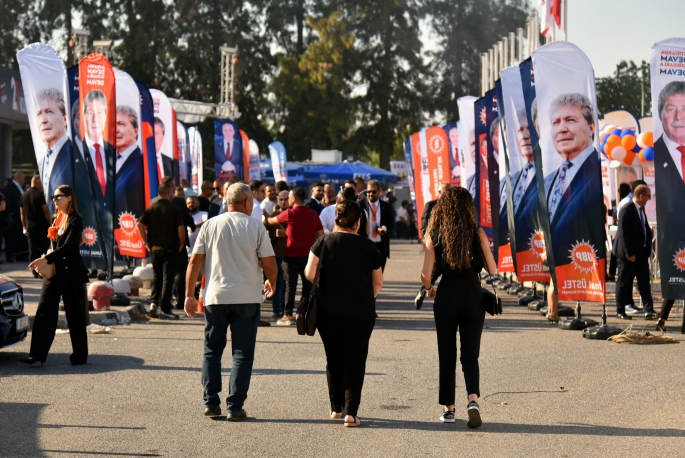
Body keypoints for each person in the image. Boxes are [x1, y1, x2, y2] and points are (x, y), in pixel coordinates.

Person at [184, 183, 277, 421]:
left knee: (212, 351)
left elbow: (194, 262)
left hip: (215, 297)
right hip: (246, 298)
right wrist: (271, 282)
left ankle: (211, 402)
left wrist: (189, 295)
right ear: (246, 203)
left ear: (227, 201)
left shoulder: (210, 225)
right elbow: (269, 263)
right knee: (242, 353)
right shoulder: (256, 226)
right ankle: (235, 407)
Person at [420, 186, 496, 428]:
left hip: (446, 296)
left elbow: (425, 275)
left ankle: (449, 409)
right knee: (470, 355)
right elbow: (493, 269)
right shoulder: (477, 233)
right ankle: (473, 400)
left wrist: (430, 286)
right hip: (473, 295)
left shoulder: (435, 235)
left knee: (447, 354)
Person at [305, 199, 383, 427]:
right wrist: (367, 297)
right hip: (361, 313)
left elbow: (310, 274)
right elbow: (378, 282)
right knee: (355, 362)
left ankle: (336, 408)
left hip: (328, 310)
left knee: (333, 359)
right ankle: (351, 412)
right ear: (358, 222)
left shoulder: (323, 242)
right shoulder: (369, 247)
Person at [23, 185, 89, 366]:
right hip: (54, 273)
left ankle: (79, 356)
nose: (55, 199)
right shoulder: (55, 218)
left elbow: (67, 247)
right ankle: (36, 355)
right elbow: (54, 245)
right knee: (44, 312)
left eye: (59, 196)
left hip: (71, 273)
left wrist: (45, 260)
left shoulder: (76, 219)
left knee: (75, 317)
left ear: (69, 198)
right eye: (53, 197)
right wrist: (45, 259)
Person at [542, 93, 605, 277]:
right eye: (556, 122)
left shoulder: (598, 173)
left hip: (584, 272)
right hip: (555, 265)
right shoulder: (548, 181)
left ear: (591, 127)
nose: (562, 129)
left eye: (570, 120)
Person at [265, 187, 323, 325]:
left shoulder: (289, 213)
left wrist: (262, 217)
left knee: (290, 286)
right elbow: (320, 235)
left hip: (290, 256)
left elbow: (271, 221)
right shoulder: (314, 214)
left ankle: (288, 315)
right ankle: (306, 313)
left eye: (289, 197)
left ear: (294, 199)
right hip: (308, 256)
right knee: (308, 286)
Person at [137, 185, 186, 320]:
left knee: (157, 277)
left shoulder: (152, 208)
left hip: (155, 249)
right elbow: (181, 229)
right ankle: (165, 309)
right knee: (168, 280)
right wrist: (181, 243)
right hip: (171, 249)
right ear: (170, 194)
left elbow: (139, 224)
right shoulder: (174, 209)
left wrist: (145, 242)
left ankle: (154, 303)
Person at [614, 185, 657, 320]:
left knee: (644, 282)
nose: (649, 199)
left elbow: (642, 229)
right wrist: (629, 253)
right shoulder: (627, 209)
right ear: (641, 196)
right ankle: (620, 310)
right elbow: (623, 233)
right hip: (628, 255)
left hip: (640, 254)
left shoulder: (640, 210)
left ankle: (649, 310)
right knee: (623, 282)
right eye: (648, 196)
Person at [35, 89, 74, 212]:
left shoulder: (76, 155)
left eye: (49, 112)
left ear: (65, 119)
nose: (43, 120)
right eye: (39, 114)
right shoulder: (42, 162)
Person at [415, 183, 450, 309]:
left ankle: (424, 291)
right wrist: (430, 239)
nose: (443, 195)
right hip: (434, 243)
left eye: (447, 192)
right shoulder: (431, 205)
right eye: (441, 192)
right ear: (438, 192)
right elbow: (424, 225)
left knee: (438, 270)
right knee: (432, 271)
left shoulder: (454, 207)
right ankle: (425, 290)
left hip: (451, 246)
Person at [114, 105, 145, 225]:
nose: (115, 130)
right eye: (113, 124)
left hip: (131, 236)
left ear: (136, 130)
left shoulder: (142, 164)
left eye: (121, 124)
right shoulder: (104, 160)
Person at [264, 191, 289, 320]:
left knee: (287, 285)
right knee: (278, 284)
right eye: (281, 199)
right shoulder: (275, 215)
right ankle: (276, 311)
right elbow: (265, 230)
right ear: (277, 201)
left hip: (291, 255)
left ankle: (286, 311)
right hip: (277, 255)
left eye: (286, 199)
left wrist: (287, 234)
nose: (283, 202)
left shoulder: (293, 215)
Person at [20, 176, 51, 277]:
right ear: (38, 182)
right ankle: (42, 270)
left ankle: (34, 271)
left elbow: (22, 213)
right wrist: (50, 222)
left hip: (30, 227)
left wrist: (24, 226)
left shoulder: (24, 195)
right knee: (44, 249)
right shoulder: (40, 194)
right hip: (42, 226)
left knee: (32, 250)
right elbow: (45, 210)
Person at [361, 180, 394, 272]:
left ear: (379, 192)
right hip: (365, 245)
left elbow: (391, 223)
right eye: (368, 192)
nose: (371, 194)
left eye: (374, 192)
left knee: (378, 276)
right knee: (365, 275)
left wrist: (385, 229)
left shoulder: (386, 207)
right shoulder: (360, 205)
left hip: (381, 246)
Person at [4, 172, 28, 262]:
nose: (24, 180)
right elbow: (9, 201)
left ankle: (20, 255)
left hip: (19, 216)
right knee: (11, 237)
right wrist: (11, 213)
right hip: (14, 216)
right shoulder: (10, 187)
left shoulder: (20, 187)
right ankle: (10, 256)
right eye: (23, 178)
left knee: (19, 237)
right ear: (19, 178)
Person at [154, 117, 176, 181]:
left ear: (163, 136)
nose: (154, 137)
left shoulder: (170, 162)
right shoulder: (140, 162)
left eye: (157, 133)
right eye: (151, 133)